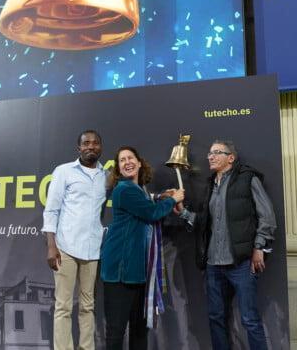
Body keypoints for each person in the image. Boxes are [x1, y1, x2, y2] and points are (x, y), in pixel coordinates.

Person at [177, 140, 277, 350]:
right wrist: (184, 213)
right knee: (215, 318)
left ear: (230, 158)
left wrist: (259, 247)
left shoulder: (248, 178)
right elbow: (205, 223)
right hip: (214, 265)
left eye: (216, 153)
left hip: (241, 263)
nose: (209, 157)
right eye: (209, 153)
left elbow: (267, 216)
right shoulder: (210, 185)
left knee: (250, 319)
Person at [100, 146, 184, 350]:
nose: (127, 162)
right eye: (122, 160)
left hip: (136, 272)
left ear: (139, 163)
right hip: (119, 272)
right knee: (116, 330)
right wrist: (174, 198)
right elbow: (150, 213)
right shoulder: (124, 189)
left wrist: (161, 197)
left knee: (139, 329)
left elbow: (147, 202)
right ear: (118, 169)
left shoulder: (139, 190)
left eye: (131, 158)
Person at [41, 130, 108, 350]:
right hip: (65, 248)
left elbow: (129, 191)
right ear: (78, 148)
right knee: (63, 307)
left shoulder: (106, 177)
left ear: (100, 147)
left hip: (92, 250)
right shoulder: (64, 172)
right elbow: (51, 210)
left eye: (95, 143)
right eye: (86, 143)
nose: (91, 146)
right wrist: (51, 246)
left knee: (88, 306)